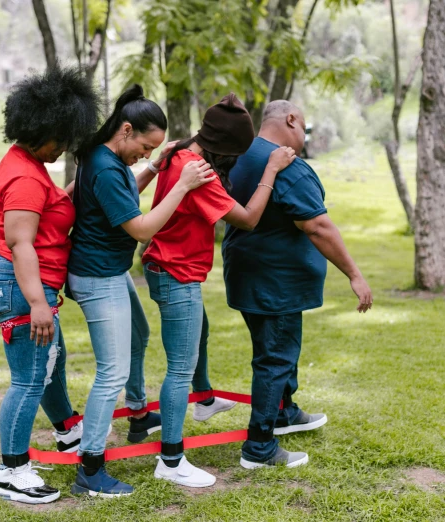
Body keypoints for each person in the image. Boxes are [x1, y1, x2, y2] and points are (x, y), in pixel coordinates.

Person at [65, 84, 216, 497]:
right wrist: (182, 185)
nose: (145, 156)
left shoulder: (104, 158)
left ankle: (137, 416)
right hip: (97, 277)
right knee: (110, 372)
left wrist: (154, 168)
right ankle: (90, 469)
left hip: (110, 272)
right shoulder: (107, 166)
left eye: (153, 151)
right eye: (146, 148)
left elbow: (127, 191)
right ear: (127, 130)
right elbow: (143, 228)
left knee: (140, 336)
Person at [141, 93, 296, 488]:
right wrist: (271, 171)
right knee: (180, 367)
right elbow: (246, 220)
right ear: (225, 148)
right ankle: (171, 460)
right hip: (177, 274)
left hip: (163, 267)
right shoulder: (200, 173)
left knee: (200, 335)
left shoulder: (178, 152)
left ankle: (205, 399)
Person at [222, 100, 373, 469]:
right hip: (275, 282)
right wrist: (354, 273)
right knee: (275, 357)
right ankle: (259, 447)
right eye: (303, 126)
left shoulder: (240, 155)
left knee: (275, 349)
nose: (304, 135)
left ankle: (284, 412)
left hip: (247, 275)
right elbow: (317, 225)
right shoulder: (287, 165)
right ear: (290, 119)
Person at [0, 66, 99, 504]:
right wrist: (37, 303)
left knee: (52, 362)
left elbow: (55, 206)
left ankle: (68, 432)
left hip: (26, 285)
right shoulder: (27, 176)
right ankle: (10, 472)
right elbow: (21, 243)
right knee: (29, 379)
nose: (65, 146)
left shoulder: (28, 164)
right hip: (19, 285)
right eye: (63, 139)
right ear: (44, 129)